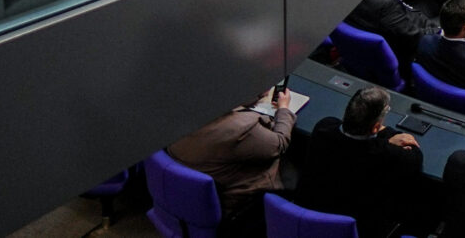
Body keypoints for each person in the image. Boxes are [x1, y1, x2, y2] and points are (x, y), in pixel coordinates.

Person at [299, 83, 424, 238]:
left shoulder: (323, 128)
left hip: (308, 222)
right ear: (375, 127)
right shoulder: (390, 156)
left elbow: (345, 133)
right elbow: (416, 156)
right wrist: (389, 134)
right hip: (360, 229)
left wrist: (382, 138)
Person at [165, 89, 295, 233]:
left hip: (182, 199)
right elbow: (280, 143)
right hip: (238, 207)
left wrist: (256, 93)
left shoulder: (177, 112)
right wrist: (283, 109)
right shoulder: (239, 129)